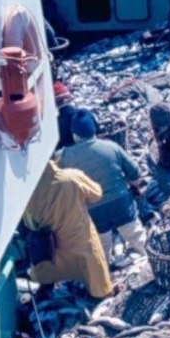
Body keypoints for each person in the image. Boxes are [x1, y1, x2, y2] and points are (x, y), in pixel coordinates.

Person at [56, 110, 147, 264]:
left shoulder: (63, 156)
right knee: (137, 237)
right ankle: (149, 257)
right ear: (94, 130)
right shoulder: (111, 147)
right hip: (121, 205)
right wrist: (135, 188)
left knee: (101, 248)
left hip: (93, 210)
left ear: (74, 134)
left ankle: (106, 273)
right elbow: (136, 175)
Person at [23, 159, 113, 299]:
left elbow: (29, 223)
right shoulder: (71, 177)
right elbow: (97, 194)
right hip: (81, 241)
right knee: (96, 274)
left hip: (52, 245)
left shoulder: (28, 191)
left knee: (48, 269)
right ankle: (102, 294)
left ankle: (46, 288)